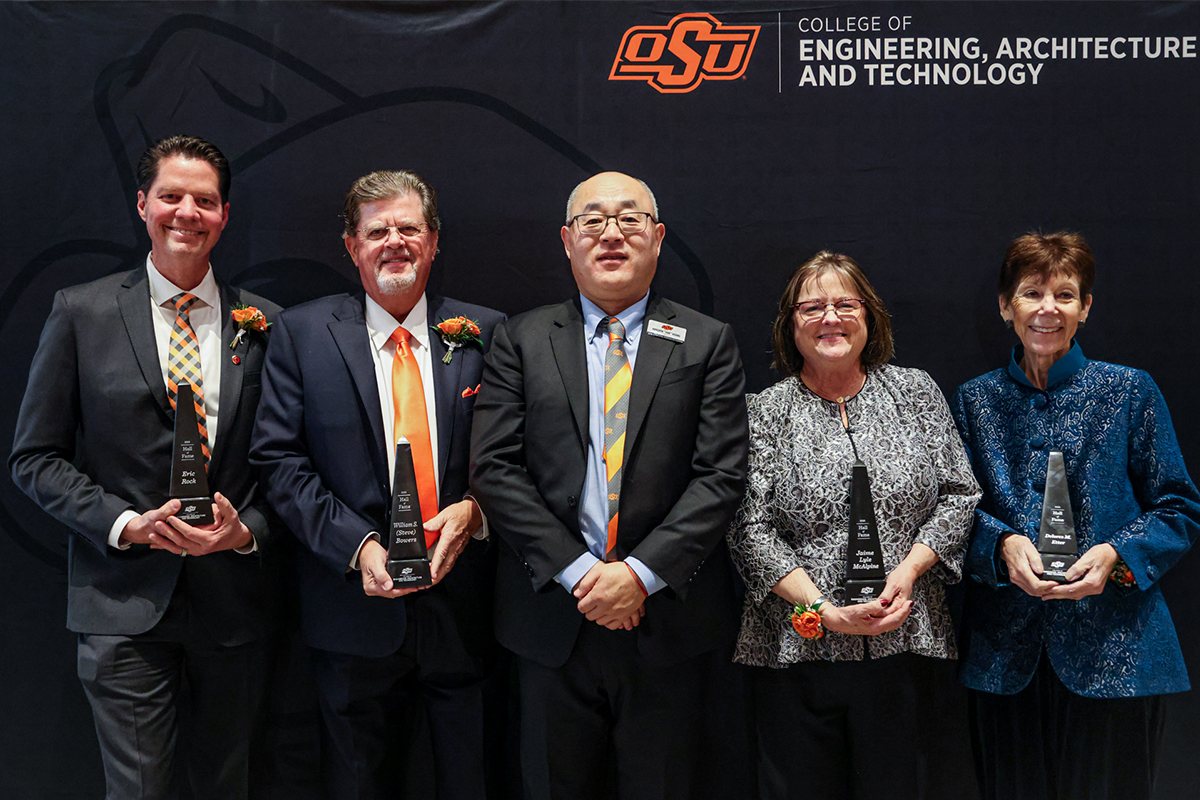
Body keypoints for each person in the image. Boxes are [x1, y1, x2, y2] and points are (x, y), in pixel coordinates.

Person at [9, 135, 281, 799]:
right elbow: (35, 458)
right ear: (141, 205)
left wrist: (245, 531)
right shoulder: (82, 312)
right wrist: (125, 523)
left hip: (233, 608)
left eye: (205, 200)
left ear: (224, 215)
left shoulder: (267, 324)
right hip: (121, 601)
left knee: (229, 785)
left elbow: (288, 467)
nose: (187, 211)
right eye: (171, 196)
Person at [469, 171, 749, 800]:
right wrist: (580, 573)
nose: (611, 233)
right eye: (593, 221)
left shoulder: (707, 341)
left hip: (665, 622)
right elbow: (495, 468)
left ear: (658, 238)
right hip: (551, 619)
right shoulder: (520, 338)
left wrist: (638, 575)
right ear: (567, 241)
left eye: (630, 219)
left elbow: (721, 475)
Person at [249, 170, 505, 800]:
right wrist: (357, 547)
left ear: (434, 241)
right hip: (350, 615)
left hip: (465, 609)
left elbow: (517, 457)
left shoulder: (488, 333)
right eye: (377, 230)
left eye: (408, 228)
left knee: (472, 779)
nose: (394, 241)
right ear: (351, 245)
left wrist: (475, 510)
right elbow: (279, 459)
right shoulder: (302, 334)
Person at [950, 231, 1200, 800]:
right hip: (1004, 657)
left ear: (1085, 308)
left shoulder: (1130, 391)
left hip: (1118, 652)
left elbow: (1179, 505)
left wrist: (1117, 555)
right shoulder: (972, 400)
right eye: (1031, 292)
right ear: (1004, 305)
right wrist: (1001, 546)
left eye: (1065, 295)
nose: (1047, 309)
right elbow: (952, 512)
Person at [726, 251, 980, 800]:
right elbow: (749, 528)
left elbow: (960, 494)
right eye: (812, 307)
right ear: (789, 325)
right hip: (798, 650)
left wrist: (910, 572)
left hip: (908, 638)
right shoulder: (764, 411)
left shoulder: (914, 391)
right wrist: (822, 610)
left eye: (845, 304)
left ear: (870, 317)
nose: (829, 318)